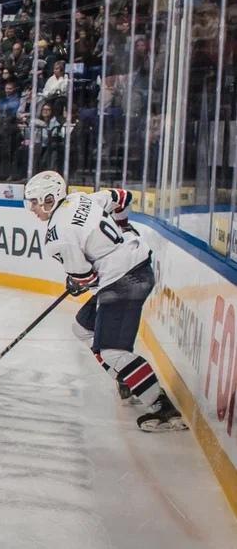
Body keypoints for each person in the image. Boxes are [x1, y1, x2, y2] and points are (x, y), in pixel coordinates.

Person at [24, 171, 187, 432]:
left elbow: (85, 276)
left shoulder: (57, 236)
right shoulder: (79, 199)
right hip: (134, 268)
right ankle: (129, 379)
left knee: (112, 351)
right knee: (82, 328)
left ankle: (163, 409)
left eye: (34, 202)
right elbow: (123, 197)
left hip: (124, 280)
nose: (32, 208)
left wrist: (75, 283)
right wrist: (122, 226)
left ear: (50, 198)